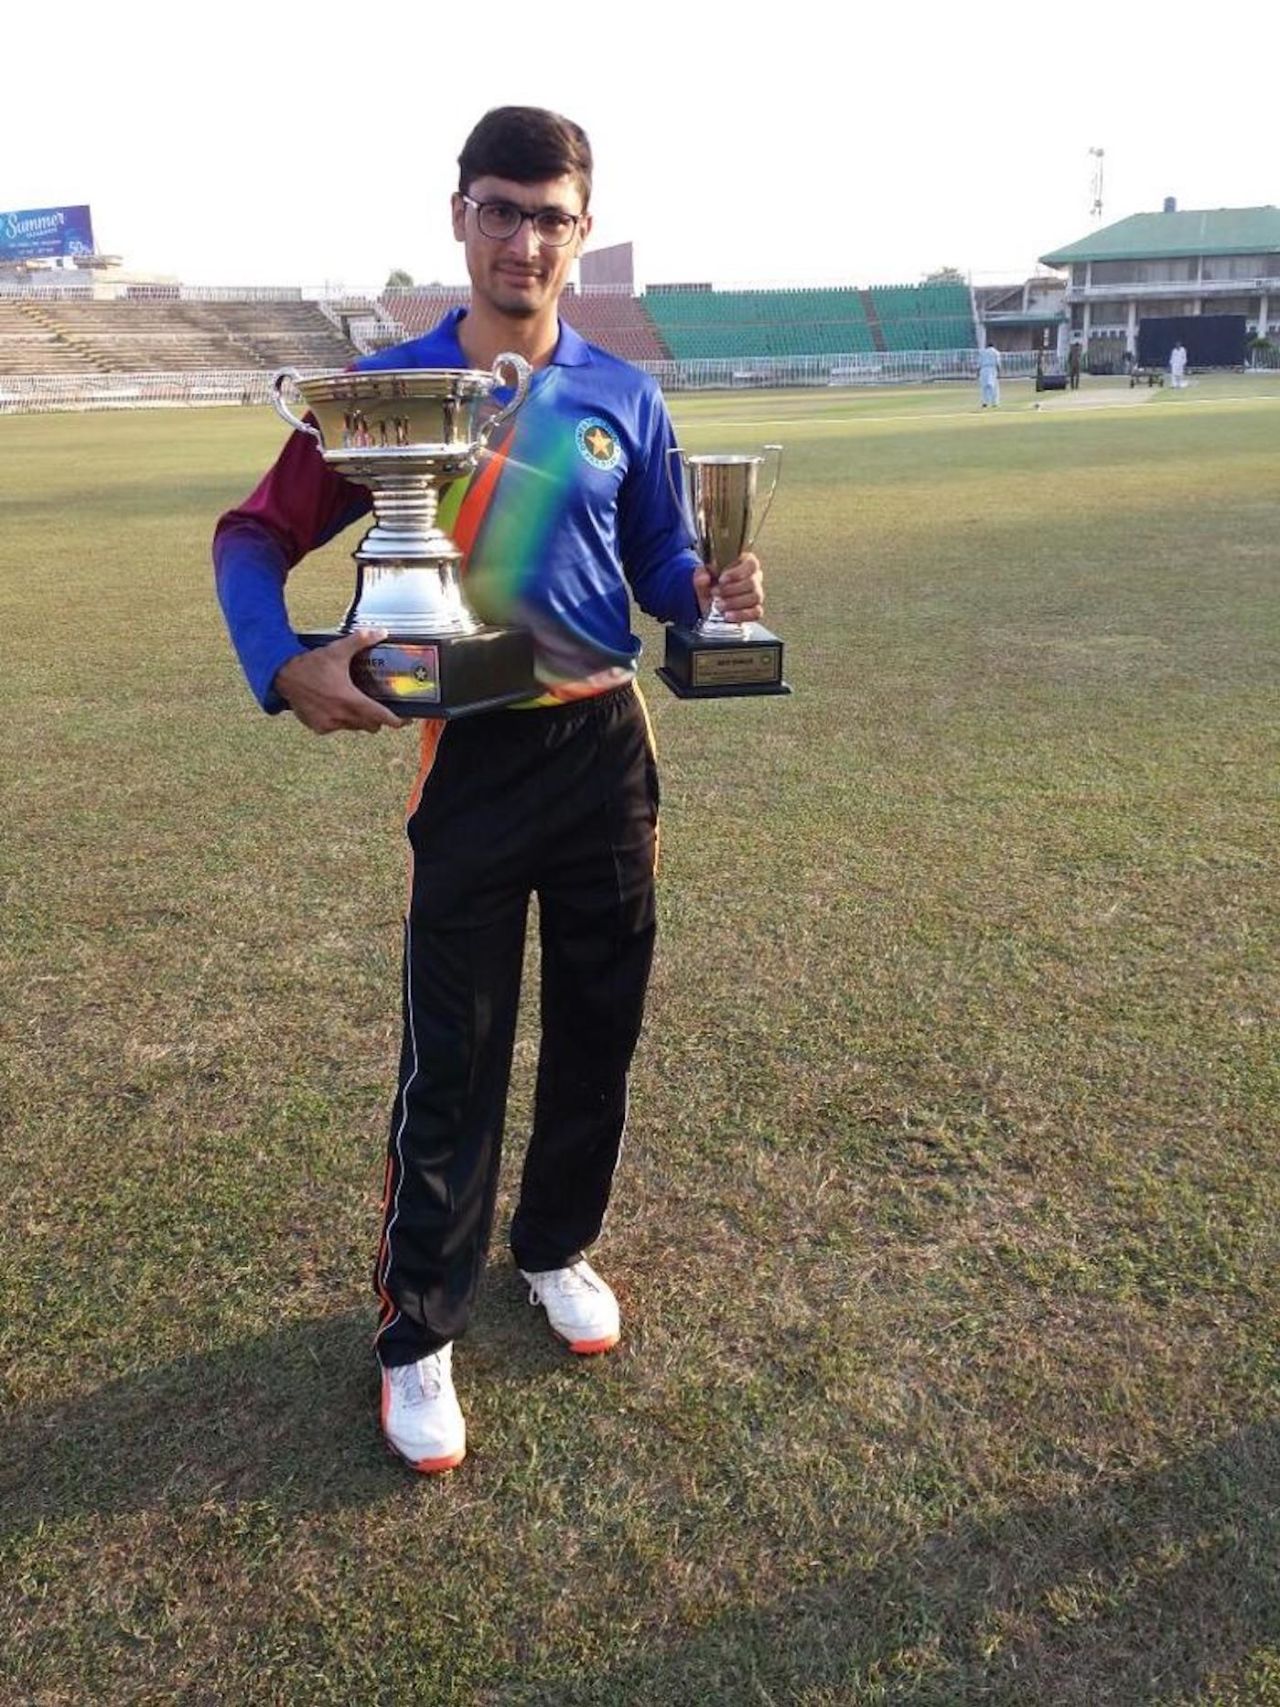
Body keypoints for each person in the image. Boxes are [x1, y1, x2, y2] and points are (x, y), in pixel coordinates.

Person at [212, 107, 765, 1474]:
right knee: (453, 1053)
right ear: (460, 215)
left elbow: (653, 575)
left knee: (600, 1022)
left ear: (583, 229)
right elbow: (253, 534)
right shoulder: (387, 386)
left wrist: (714, 590)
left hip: (605, 748)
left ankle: (557, 1244)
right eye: (503, 209)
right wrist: (281, 662)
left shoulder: (624, 397)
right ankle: (420, 1330)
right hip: (470, 752)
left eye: (552, 215)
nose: (526, 239)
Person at [977, 340, 1001, 407]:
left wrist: (978, 372)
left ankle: (985, 402)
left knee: (984, 387)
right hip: (992, 369)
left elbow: (979, 363)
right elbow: (998, 363)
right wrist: (999, 371)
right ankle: (994, 402)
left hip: (983, 369)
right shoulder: (996, 352)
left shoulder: (982, 352)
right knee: (994, 387)